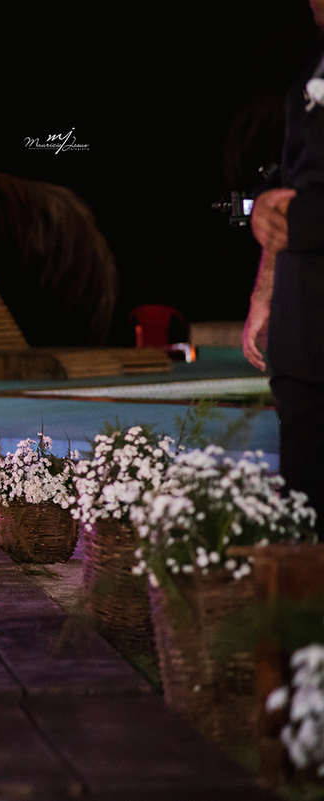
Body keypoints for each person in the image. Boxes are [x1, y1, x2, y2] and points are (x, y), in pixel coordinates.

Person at [244, 0, 324, 515]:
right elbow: (290, 189)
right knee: (303, 506)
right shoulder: (308, 74)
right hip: (303, 339)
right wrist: (266, 294)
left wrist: (300, 214)